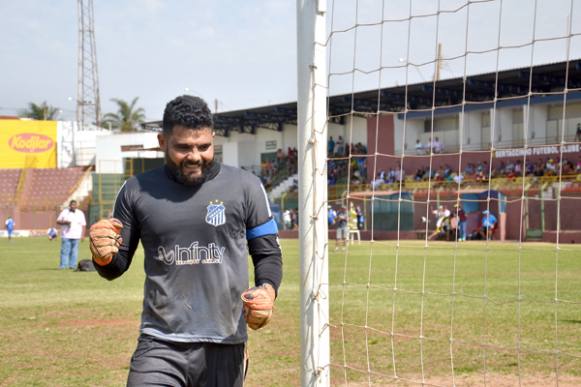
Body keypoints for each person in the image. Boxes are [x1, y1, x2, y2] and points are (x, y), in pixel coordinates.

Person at [88, 95, 283, 386]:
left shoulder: (246, 187)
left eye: (203, 146)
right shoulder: (136, 190)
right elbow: (116, 266)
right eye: (183, 147)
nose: (195, 156)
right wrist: (102, 256)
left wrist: (267, 290)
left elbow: (267, 254)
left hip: (226, 341)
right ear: (162, 140)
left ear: (212, 138)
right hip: (159, 342)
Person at [56, 200, 86, 269]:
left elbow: (83, 225)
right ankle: (63, 265)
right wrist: (65, 222)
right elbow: (58, 221)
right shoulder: (64, 212)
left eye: (74, 205)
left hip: (76, 235)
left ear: (76, 206)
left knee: (74, 251)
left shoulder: (80, 213)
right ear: (69, 205)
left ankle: (73, 265)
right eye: (72, 205)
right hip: (66, 235)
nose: (73, 206)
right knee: (64, 251)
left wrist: (83, 235)